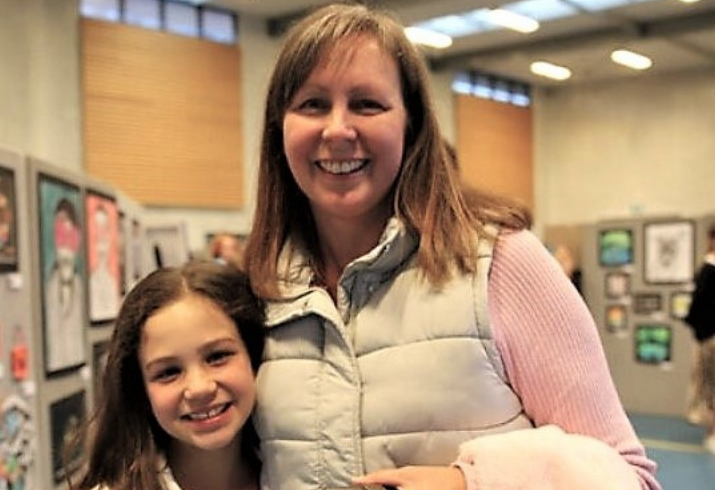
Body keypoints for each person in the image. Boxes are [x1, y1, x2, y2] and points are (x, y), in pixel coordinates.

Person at [243, 3, 660, 490]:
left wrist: (473, 484)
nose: (337, 129)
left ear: (412, 126)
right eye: (312, 104)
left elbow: (629, 477)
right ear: (280, 127)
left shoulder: (502, 262)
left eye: (367, 104)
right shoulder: (259, 293)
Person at [67, 260, 265, 490]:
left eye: (217, 356)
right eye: (169, 372)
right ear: (140, 389)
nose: (199, 388)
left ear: (253, 355)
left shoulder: (302, 473)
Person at [44, 197, 85, 373]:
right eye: (61, 235)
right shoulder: (48, 288)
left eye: (70, 237)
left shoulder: (81, 287)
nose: (66, 247)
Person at [684, 223, 715, 453]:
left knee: (710, 385)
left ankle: (713, 433)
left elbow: (698, 306)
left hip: (710, 337)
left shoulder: (709, 269)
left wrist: (695, 325)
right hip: (708, 335)